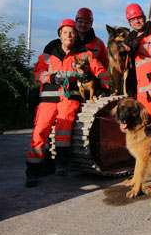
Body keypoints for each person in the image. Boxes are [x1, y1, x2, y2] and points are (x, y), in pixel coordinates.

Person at [25, 19, 110, 187]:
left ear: (76, 35)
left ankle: (62, 164)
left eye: (72, 32)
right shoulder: (50, 52)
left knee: (65, 128)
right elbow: (38, 73)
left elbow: (98, 68)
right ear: (60, 34)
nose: (69, 35)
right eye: (65, 32)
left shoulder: (83, 53)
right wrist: (50, 77)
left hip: (70, 97)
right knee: (40, 129)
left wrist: (106, 82)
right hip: (48, 97)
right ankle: (33, 169)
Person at [123, 3, 151, 117]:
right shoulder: (130, 40)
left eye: (139, 18)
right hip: (140, 90)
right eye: (133, 19)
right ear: (129, 23)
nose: (136, 21)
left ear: (144, 18)